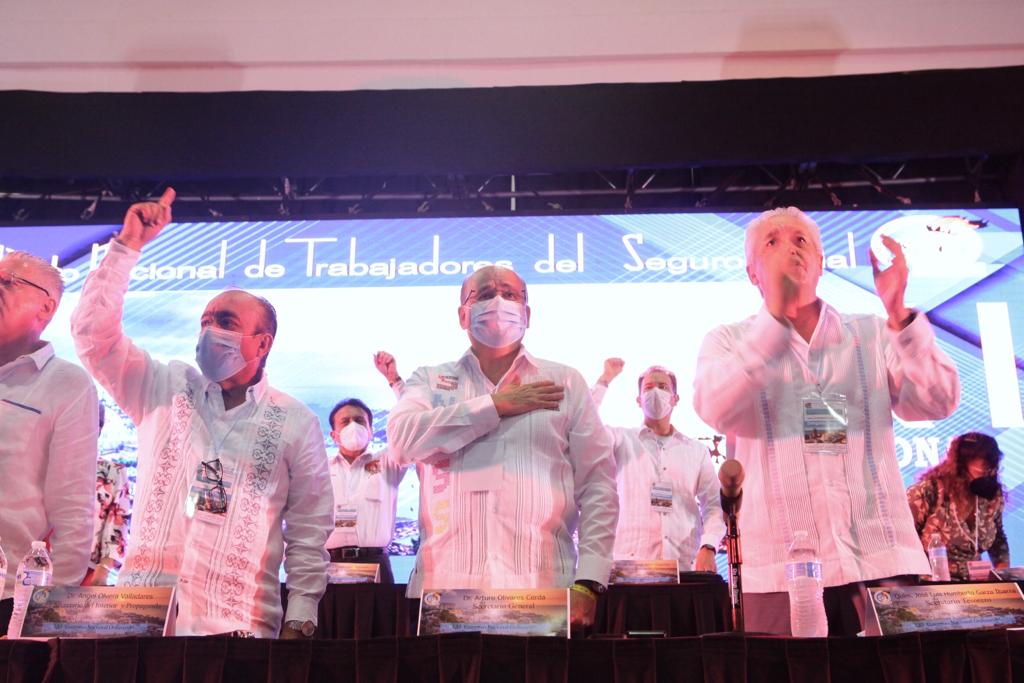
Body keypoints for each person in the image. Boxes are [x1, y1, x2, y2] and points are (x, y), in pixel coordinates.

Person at [70, 188, 333, 639]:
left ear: (263, 343)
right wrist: (126, 248)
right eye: (206, 321)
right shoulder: (164, 386)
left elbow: (309, 530)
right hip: (141, 621)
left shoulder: (296, 421)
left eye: (226, 323)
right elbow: (93, 336)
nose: (210, 331)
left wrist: (301, 619)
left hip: (238, 626)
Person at [693, 206, 960, 636]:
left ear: (820, 263)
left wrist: (899, 317)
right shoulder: (728, 340)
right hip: (778, 573)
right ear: (752, 273)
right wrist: (774, 323)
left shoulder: (873, 333)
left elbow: (938, 401)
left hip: (882, 561)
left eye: (801, 241)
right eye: (772, 242)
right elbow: (716, 407)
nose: (790, 250)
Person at [386, 266, 618, 630]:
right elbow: (402, 442)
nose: (498, 301)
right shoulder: (430, 380)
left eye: (510, 294)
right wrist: (495, 406)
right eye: (484, 294)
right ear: (462, 315)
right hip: (443, 594)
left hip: (542, 592)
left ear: (527, 314)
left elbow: (598, 484)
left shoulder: (564, 382)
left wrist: (589, 580)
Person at [0, 251, 98, 636]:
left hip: (10, 600)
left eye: (7, 282)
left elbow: (72, 509)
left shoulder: (67, 385)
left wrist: (49, 615)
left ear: (46, 307)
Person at [592, 358, 724, 572]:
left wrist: (709, 546)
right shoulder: (620, 440)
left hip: (683, 569)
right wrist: (604, 380)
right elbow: (585, 424)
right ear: (638, 400)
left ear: (675, 399)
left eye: (663, 387)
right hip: (630, 570)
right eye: (648, 387)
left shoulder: (697, 451)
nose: (655, 392)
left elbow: (714, 505)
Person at [324, 352, 410, 583]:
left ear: (371, 431)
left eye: (360, 421)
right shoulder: (320, 471)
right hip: (330, 567)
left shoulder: (388, 462)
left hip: (375, 566)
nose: (353, 426)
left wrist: (395, 381)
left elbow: (413, 422)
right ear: (334, 435)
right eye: (345, 422)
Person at [907, 432, 1009, 580]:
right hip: (932, 583)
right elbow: (904, 537)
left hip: (976, 585)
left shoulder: (991, 494)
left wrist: (1004, 576)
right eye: (982, 460)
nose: (987, 467)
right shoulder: (929, 490)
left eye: (991, 461)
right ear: (963, 461)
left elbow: (998, 538)